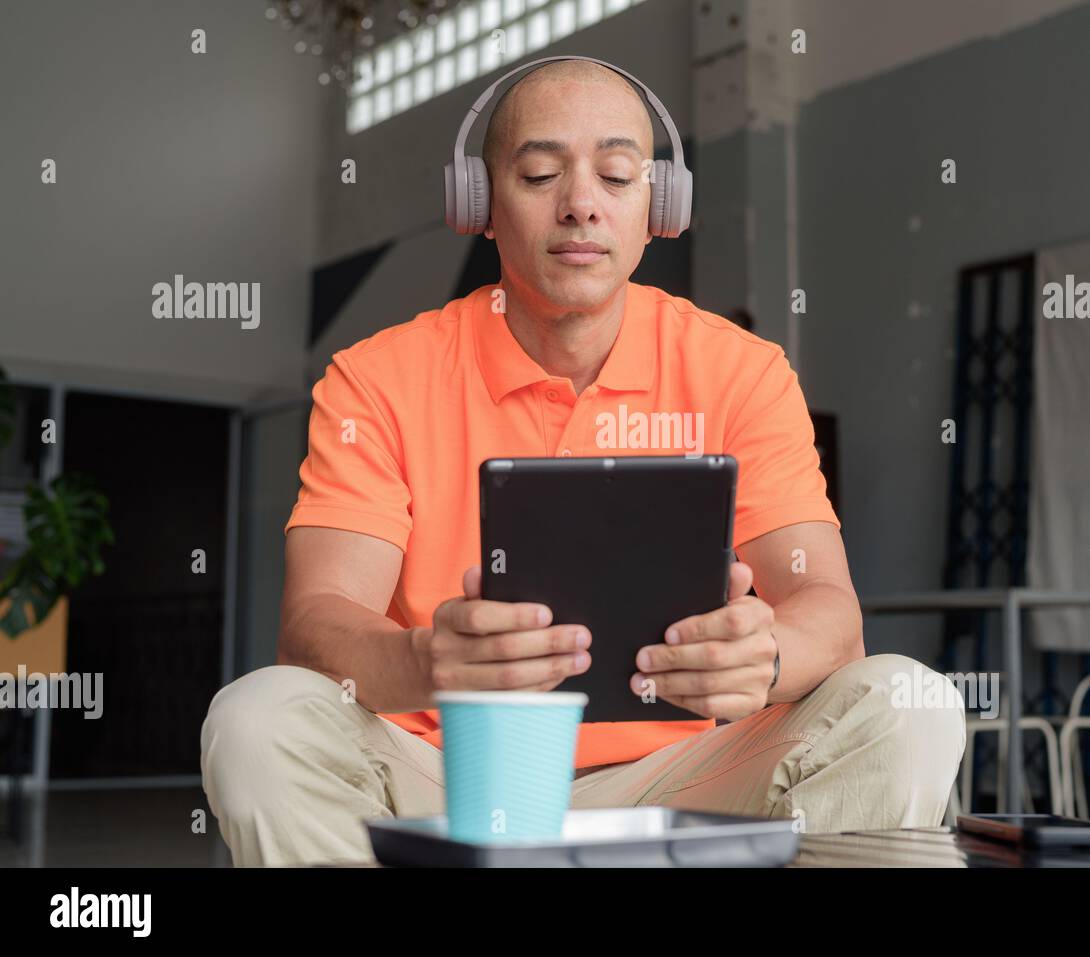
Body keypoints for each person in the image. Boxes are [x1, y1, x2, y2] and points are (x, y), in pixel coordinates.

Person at [200, 58, 965, 866]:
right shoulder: (378, 377)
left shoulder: (743, 371)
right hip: (446, 780)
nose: (580, 204)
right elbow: (316, 621)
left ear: (656, 208)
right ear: (481, 204)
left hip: (685, 780)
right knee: (257, 719)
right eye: (538, 173)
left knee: (907, 703)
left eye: (616, 173)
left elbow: (830, 610)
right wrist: (425, 659)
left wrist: (765, 657)